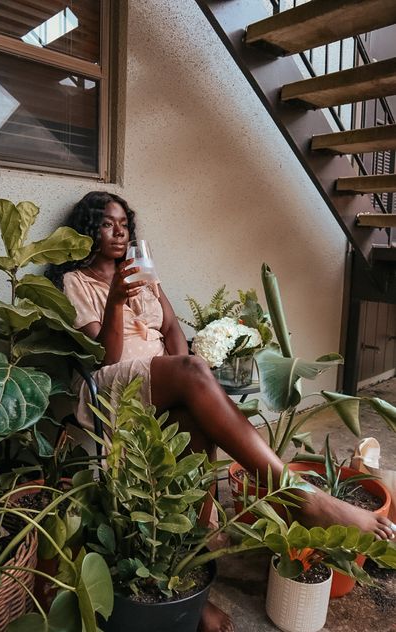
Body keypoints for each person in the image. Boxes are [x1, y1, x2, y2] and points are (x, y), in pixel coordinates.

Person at [47, 191, 395, 632]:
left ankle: (191, 577)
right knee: (193, 372)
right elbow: (105, 356)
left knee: (197, 417)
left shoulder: (143, 273)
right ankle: (299, 497)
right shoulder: (76, 282)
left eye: (124, 224)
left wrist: (189, 382)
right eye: (107, 223)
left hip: (159, 379)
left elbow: (172, 328)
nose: (119, 232)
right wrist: (117, 301)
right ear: (88, 230)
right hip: (112, 384)